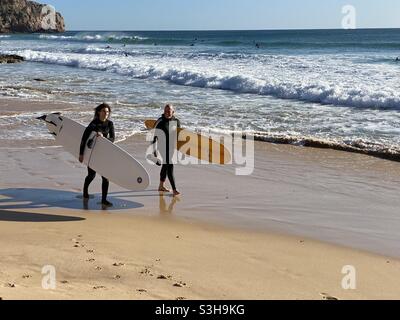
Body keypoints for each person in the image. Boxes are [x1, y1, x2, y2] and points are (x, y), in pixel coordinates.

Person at [79, 103, 115, 207]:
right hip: (93, 154)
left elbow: (112, 139)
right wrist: (81, 154)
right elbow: (84, 138)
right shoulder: (93, 124)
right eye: (104, 111)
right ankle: (85, 191)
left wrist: (103, 136)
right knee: (91, 175)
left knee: (105, 177)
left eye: (107, 112)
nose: (106, 113)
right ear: (99, 112)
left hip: (104, 154)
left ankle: (104, 200)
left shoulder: (110, 124)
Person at [152, 104, 181, 196]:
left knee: (165, 166)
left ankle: (161, 186)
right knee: (170, 166)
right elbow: (153, 138)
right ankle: (174, 189)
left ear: (173, 112)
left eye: (169, 111)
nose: (167, 113)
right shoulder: (160, 122)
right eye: (166, 111)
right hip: (162, 147)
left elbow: (178, 137)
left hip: (172, 148)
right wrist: (154, 153)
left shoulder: (176, 121)